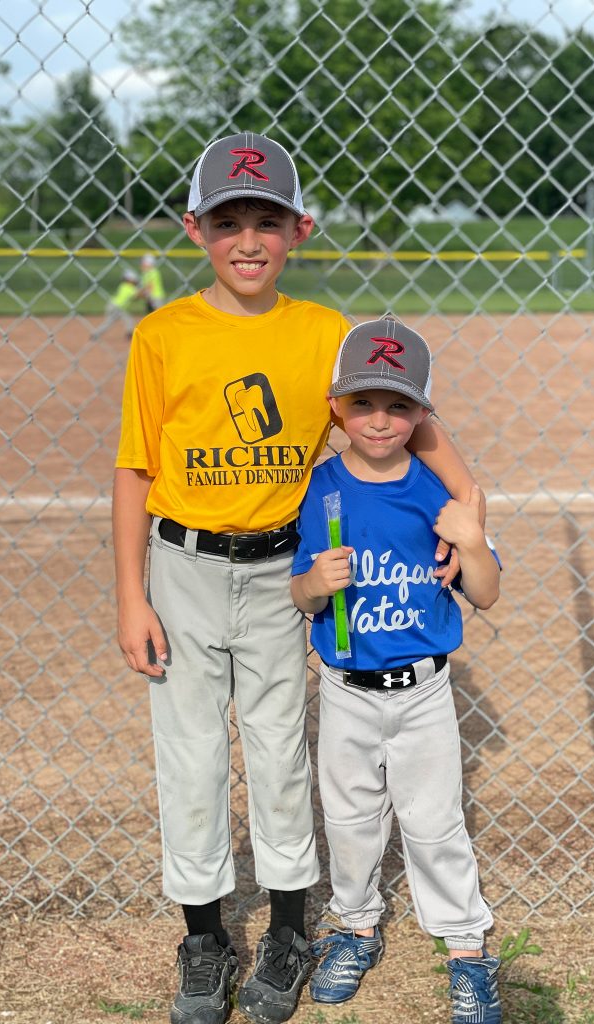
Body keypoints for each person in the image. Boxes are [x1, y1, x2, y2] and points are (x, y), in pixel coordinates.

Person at [113, 131, 481, 1024]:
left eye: (267, 221)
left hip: (285, 567)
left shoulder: (323, 335)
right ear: (195, 228)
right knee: (191, 757)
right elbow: (133, 470)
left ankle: (287, 930)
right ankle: (203, 938)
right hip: (183, 566)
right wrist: (130, 595)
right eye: (229, 221)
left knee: (280, 754)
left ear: (299, 229)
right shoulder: (163, 335)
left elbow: (414, 426)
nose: (248, 240)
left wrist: (468, 507)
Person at [290, 317, 502, 1023]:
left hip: (424, 691)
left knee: (434, 822)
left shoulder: (434, 492)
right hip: (346, 692)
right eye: (363, 403)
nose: (380, 420)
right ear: (336, 409)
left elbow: (486, 590)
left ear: (422, 413)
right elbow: (298, 593)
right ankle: (355, 927)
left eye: (400, 405)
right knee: (349, 822)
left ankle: (467, 947)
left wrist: (471, 540)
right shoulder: (319, 492)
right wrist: (316, 584)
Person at [105, 268, 143, 339]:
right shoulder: (129, 287)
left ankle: (96, 333)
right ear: (129, 280)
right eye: (133, 279)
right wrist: (144, 290)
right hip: (118, 307)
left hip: (112, 305)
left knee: (108, 323)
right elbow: (138, 295)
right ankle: (129, 335)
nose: (135, 281)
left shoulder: (123, 285)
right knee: (129, 320)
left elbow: (134, 297)